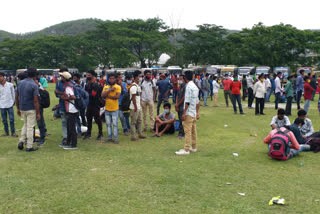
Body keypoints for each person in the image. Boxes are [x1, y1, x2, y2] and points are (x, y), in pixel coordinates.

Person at [175, 70, 200, 155]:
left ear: (185, 78)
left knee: (187, 131)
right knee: (193, 131)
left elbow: (187, 101)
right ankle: (193, 147)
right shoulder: (195, 87)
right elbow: (198, 101)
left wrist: (184, 112)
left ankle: (186, 149)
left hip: (189, 112)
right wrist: (197, 112)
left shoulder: (188, 87)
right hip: (193, 112)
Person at [16, 68, 40, 152]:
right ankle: (29, 146)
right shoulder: (34, 85)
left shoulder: (20, 83)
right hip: (31, 108)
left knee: (25, 125)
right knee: (30, 127)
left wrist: (18, 108)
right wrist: (38, 113)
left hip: (22, 107)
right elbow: (36, 100)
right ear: (34, 75)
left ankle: (21, 141)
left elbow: (16, 97)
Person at [58, 72, 79, 149]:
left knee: (71, 127)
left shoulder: (68, 87)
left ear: (65, 78)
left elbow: (73, 97)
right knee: (69, 127)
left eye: (62, 77)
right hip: (72, 109)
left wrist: (65, 98)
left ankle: (74, 144)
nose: (61, 78)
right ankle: (68, 142)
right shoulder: (71, 85)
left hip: (71, 109)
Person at [102, 73, 121, 144]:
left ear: (115, 79)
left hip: (115, 109)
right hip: (107, 108)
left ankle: (115, 138)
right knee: (108, 124)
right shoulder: (106, 86)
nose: (111, 80)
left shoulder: (118, 87)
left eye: (113, 78)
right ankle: (109, 137)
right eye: (110, 78)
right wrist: (110, 90)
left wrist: (108, 96)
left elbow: (117, 97)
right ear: (108, 79)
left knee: (115, 124)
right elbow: (102, 95)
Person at [84, 70, 103, 140]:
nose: (87, 77)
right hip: (89, 104)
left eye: (89, 75)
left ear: (93, 76)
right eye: (87, 75)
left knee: (97, 119)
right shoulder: (87, 84)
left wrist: (86, 94)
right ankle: (88, 133)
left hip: (95, 104)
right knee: (88, 119)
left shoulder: (96, 85)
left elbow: (93, 94)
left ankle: (100, 133)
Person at [54, 67, 70, 146]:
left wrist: (61, 93)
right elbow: (56, 93)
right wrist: (61, 95)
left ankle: (71, 136)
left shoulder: (71, 83)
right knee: (64, 121)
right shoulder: (58, 82)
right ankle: (65, 137)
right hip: (62, 105)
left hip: (70, 105)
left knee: (70, 121)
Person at [129, 70, 146, 141]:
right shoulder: (133, 86)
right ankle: (133, 136)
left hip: (138, 106)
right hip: (134, 107)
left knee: (139, 121)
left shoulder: (138, 85)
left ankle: (140, 134)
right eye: (140, 76)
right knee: (133, 122)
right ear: (136, 77)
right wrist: (135, 107)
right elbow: (133, 98)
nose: (141, 77)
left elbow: (139, 96)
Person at [0, 72, 18, 137]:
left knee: (11, 119)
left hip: (10, 104)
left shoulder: (10, 85)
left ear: (3, 77)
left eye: (0, 76)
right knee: (4, 120)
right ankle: (6, 132)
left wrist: (13, 102)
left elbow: (13, 94)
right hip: (2, 105)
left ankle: (13, 132)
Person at [35, 72, 48, 145]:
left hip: (38, 105)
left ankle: (42, 137)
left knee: (40, 122)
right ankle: (34, 138)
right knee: (33, 123)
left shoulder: (38, 84)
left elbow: (43, 94)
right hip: (32, 105)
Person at [175, 75, 186, 139]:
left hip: (182, 105)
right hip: (179, 105)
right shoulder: (180, 87)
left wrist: (178, 104)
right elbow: (177, 96)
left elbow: (184, 97)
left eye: (181, 79)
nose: (179, 80)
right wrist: (176, 104)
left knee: (182, 119)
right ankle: (181, 132)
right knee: (179, 118)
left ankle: (181, 133)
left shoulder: (185, 87)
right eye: (179, 79)